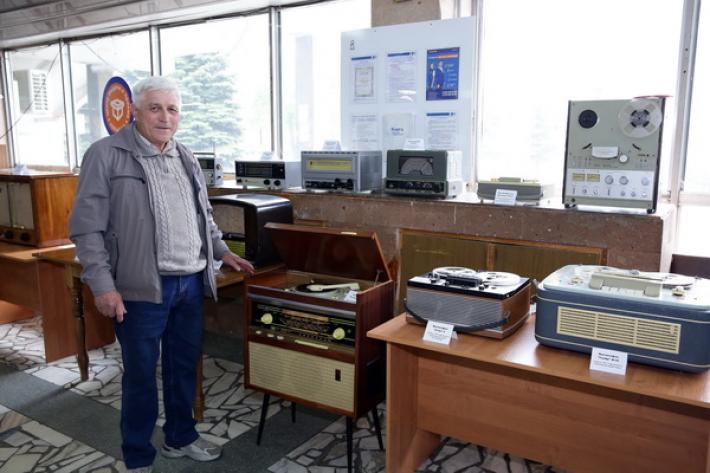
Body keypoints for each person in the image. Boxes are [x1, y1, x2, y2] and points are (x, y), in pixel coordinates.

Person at [69, 75, 254, 473]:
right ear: (135, 111)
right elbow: (86, 228)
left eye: (172, 110)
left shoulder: (185, 155)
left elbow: (203, 215)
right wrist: (103, 287)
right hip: (139, 289)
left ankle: (180, 437)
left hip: (190, 283)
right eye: (155, 108)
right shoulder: (105, 154)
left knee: (183, 367)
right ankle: (138, 456)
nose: (164, 117)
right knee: (139, 376)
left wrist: (223, 251)